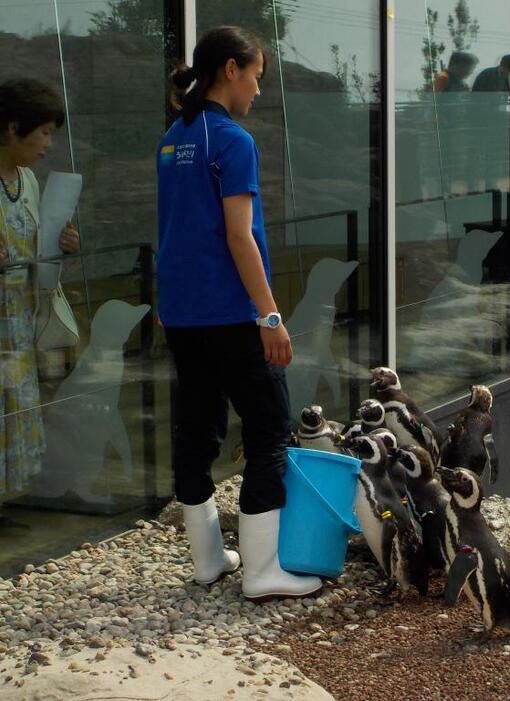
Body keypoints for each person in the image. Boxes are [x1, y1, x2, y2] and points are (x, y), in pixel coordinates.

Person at [157, 26, 319, 600]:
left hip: (182, 313)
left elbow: (171, 232)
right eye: (255, 77)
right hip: (231, 313)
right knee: (270, 428)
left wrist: (164, 299)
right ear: (230, 69)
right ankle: (262, 571)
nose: (256, 90)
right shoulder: (232, 139)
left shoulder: (174, 137)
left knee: (197, 428)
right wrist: (270, 316)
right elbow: (239, 236)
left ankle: (208, 560)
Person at [0, 79, 80, 503]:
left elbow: (35, 248)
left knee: (15, 408)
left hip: (19, 318)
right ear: (13, 127)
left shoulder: (28, 180)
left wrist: (59, 244)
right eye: (44, 131)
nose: (48, 144)